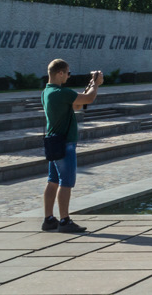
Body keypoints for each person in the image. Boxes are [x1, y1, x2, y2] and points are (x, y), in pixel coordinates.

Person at [41, 59, 102, 233]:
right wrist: (96, 84)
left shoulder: (47, 92)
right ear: (60, 73)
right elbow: (88, 99)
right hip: (65, 143)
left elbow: (77, 105)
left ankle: (48, 219)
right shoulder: (61, 92)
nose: (68, 76)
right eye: (68, 73)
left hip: (53, 141)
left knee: (52, 181)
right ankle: (65, 221)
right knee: (65, 182)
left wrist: (90, 84)